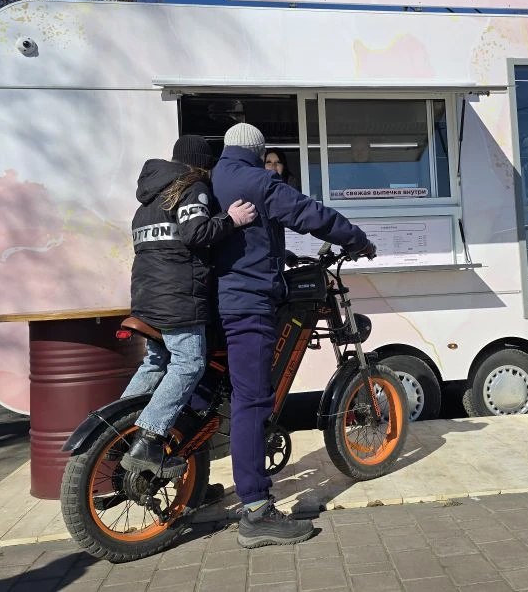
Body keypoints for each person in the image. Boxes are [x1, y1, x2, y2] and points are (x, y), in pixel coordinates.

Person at [212, 122, 375, 548]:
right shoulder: (258, 180)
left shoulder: (216, 177)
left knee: (224, 395)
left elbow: (246, 238)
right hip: (248, 303)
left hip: (222, 298)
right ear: (256, 150)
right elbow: (310, 214)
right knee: (252, 401)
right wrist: (357, 239)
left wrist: (278, 254)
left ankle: (197, 487)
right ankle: (255, 510)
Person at [120, 134, 257, 478]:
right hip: (178, 299)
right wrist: (231, 219)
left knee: (156, 362)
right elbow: (195, 233)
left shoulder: (148, 199)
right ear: (202, 164)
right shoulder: (191, 187)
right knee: (189, 363)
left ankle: (118, 430)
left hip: (146, 297)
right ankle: (149, 438)